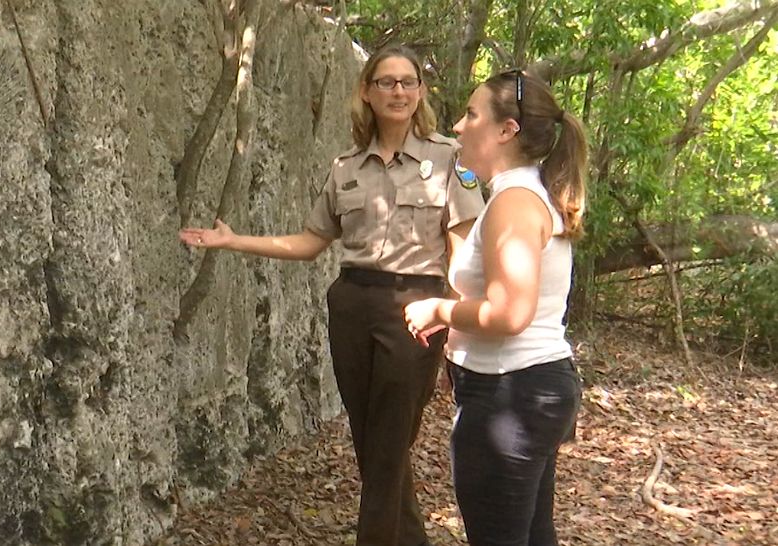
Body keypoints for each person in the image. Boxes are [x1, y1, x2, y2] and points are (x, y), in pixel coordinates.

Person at [180, 45, 484, 546]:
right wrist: (233, 240)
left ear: (421, 92)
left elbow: (464, 252)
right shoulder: (346, 167)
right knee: (372, 447)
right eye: (386, 82)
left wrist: (454, 324)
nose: (398, 91)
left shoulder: (449, 158)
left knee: (388, 448)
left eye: (408, 82)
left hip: (416, 309)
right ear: (366, 91)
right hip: (352, 306)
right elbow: (309, 242)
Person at [403, 69, 587, 546]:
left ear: (507, 130)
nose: (459, 127)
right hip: (525, 391)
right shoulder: (519, 197)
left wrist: (440, 311)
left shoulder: (515, 202)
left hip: (512, 394)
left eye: (471, 114)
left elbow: (509, 313)